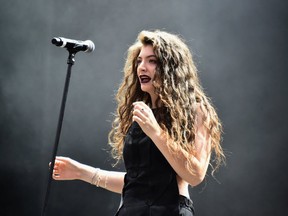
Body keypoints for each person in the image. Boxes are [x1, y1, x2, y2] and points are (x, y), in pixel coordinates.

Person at [51, 30, 225, 216]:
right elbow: (138, 183)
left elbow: (195, 175)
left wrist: (156, 132)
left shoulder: (196, 111)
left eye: (152, 61)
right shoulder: (141, 113)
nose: (142, 67)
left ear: (171, 67)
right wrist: (81, 172)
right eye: (139, 61)